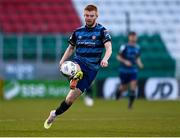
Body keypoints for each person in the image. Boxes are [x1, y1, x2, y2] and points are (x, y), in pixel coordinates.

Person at [44, 4, 112, 129]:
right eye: (86, 15)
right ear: (84, 15)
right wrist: (62, 60)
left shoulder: (102, 31)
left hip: (92, 69)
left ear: (96, 16)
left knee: (69, 99)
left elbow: (109, 48)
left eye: (91, 16)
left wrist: (105, 59)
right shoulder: (78, 31)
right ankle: (75, 76)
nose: (88, 18)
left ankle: (54, 114)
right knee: (74, 67)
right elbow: (71, 48)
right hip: (79, 61)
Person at [115, 31, 143, 109]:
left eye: (134, 36)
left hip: (133, 70)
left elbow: (137, 58)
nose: (133, 37)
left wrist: (140, 64)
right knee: (124, 87)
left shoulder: (138, 47)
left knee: (133, 85)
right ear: (129, 37)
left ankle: (130, 105)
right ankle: (118, 92)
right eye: (132, 36)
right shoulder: (124, 46)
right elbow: (118, 56)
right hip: (124, 70)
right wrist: (125, 61)